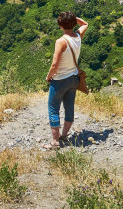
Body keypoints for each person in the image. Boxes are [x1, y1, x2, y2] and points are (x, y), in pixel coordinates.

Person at [43, 11, 88, 150]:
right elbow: (85, 23)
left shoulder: (61, 41)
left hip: (60, 80)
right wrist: (74, 19)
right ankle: (64, 135)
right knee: (69, 108)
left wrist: (49, 76)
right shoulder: (78, 36)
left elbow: (55, 64)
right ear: (74, 23)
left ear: (60, 25)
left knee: (53, 108)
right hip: (73, 79)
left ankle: (55, 142)